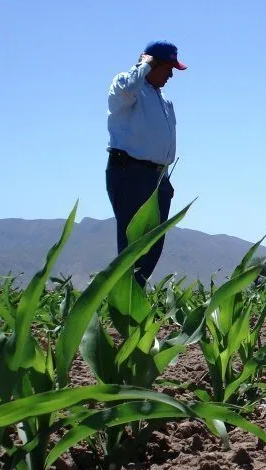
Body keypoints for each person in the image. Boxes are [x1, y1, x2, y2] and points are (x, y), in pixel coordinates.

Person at [105, 40, 187, 287]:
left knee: (153, 240)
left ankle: (135, 289)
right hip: (130, 171)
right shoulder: (127, 86)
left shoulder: (163, 99)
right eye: (168, 68)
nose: (171, 74)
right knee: (133, 240)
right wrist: (143, 64)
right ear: (152, 64)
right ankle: (123, 295)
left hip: (157, 176)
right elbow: (128, 88)